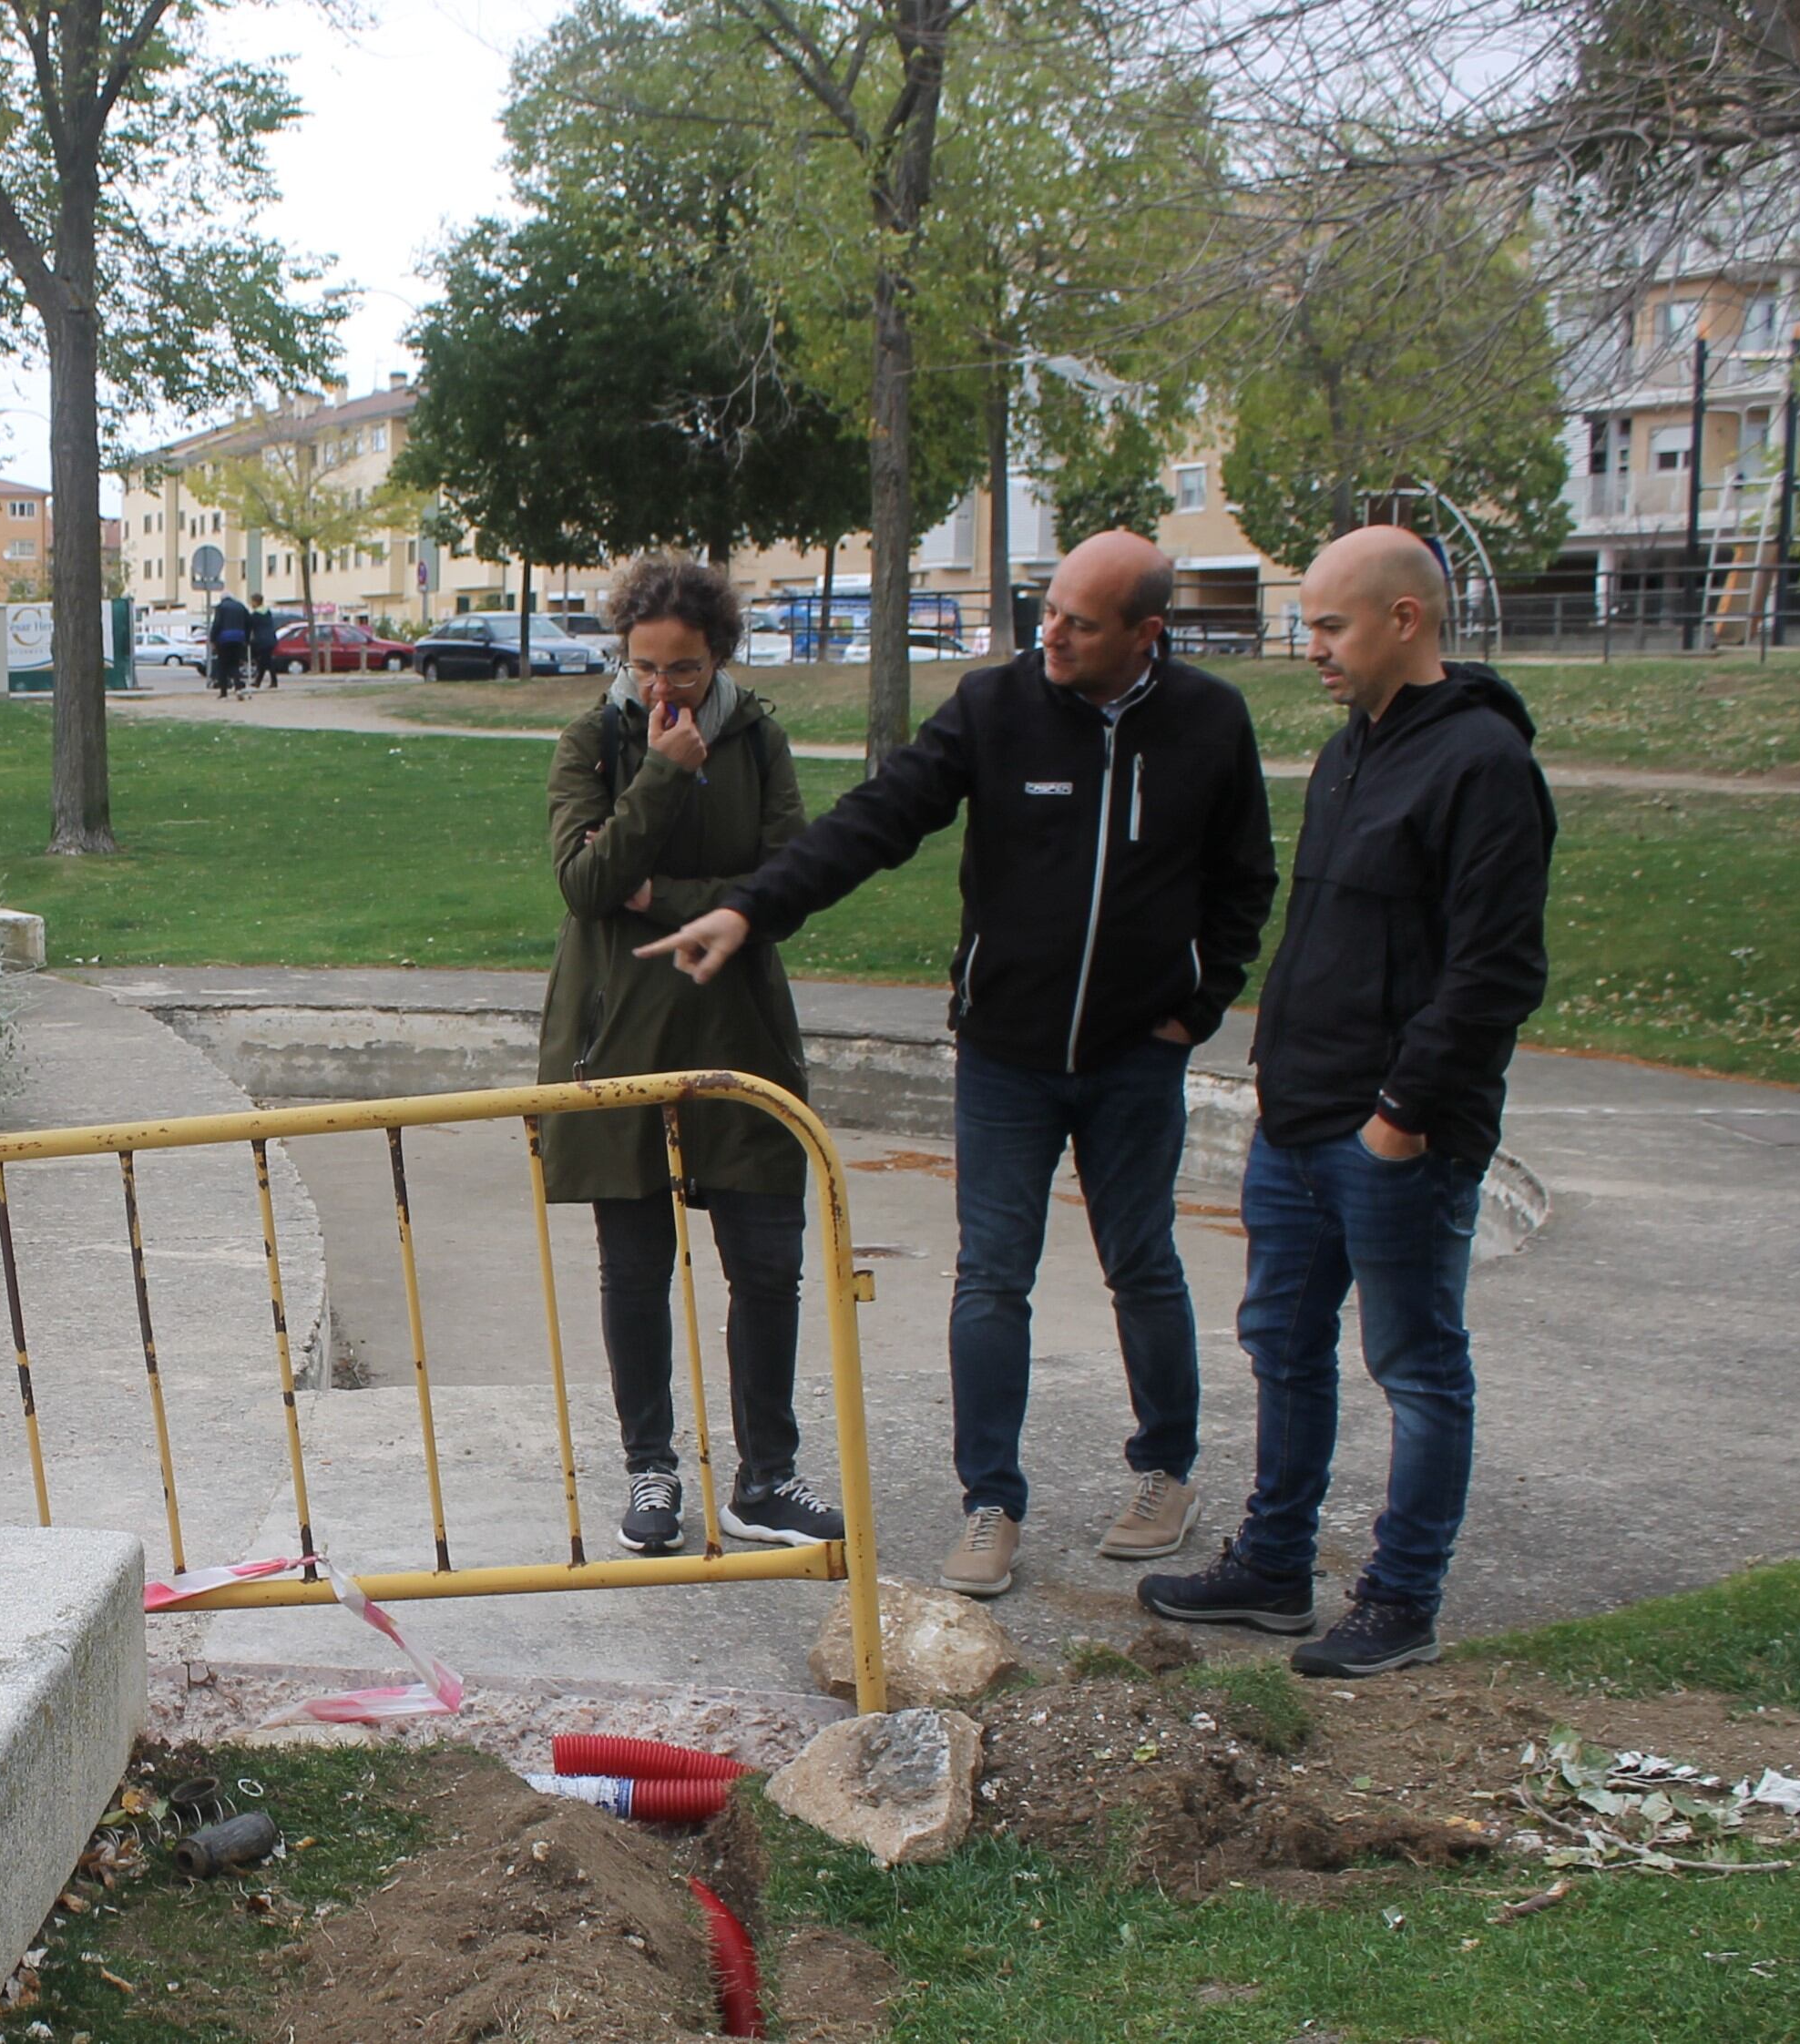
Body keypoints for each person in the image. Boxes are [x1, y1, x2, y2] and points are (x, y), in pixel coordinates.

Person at [637, 532, 1279, 1598]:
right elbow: (874, 824)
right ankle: (990, 1500)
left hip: (1134, 1057)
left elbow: (1242, 879)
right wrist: (750, 908)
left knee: (1143, 1266)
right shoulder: (995, 706)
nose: (1052, 635)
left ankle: (1164, 1471)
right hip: (1005, 1056)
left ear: (1144, 633)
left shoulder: (1208, 721)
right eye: (1047, 611)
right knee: (990, 1275)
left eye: (1079, 621)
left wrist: (1196, 1007)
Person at [1137, 526, 1555, 1679]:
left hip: (1393, 1138)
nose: (1307, 647)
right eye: (1306, 623)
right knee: (1281, 1342)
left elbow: (1494, 970)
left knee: (1416, 1365)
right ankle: (1273, 1564)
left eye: (1328, 625)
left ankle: (1399, 1599)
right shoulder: (1346, 753)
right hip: (1299, 1118)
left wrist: (1400, 1119)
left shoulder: (1481, 765)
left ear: (1404, 621)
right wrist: (1279, 1084)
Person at [537, 554, 844, 1555]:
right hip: (616, 1034)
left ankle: (765, 1479)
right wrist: (664, 778)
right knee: (634, 1269)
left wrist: (660, 901)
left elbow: (787, 884)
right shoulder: (593, 738)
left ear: (719, 656)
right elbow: (585, 885)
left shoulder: (757, 737)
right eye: (645, 667)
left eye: (685, 669)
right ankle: (651, 1471)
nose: (663, 688)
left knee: (766, 1265)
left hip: (739, 1034)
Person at [208, 591, 251, 698]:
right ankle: (238, 688)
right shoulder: (241, 606)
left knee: (222, 665)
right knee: (235, 664)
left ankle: (223, 692)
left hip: (224, 639)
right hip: (239, 637)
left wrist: (212, 638)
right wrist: (247, 638)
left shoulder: (221, 607)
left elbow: (217, 623)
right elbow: (249, 622)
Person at [247, 602, 281, 690]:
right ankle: (259, 681)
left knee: (265, 661)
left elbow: (250, 627)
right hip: (271, 639)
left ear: (255, 602)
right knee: (265, 660)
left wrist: (247, 639)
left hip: (261, 640)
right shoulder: (268, 612)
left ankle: (271, 682)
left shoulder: (255, 615)